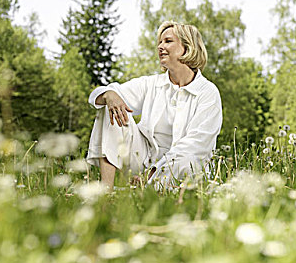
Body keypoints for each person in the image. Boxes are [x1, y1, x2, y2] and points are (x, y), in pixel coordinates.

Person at [86, 21, 223, 189]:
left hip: (181, 168)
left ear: (187, 47)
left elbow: (196, 145)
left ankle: (147, 188)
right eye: (160, 42)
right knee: (111, 106)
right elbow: (99, 96)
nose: (160, 46)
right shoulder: (151, 83)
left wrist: (151, 175)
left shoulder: (207, 92)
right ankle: (105, 192)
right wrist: (109, 95)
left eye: (168, 41)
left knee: (188, 159)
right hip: (142, 160)